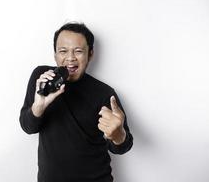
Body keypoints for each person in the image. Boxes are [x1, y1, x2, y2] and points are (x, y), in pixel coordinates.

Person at [20, 22, 133, 182]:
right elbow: (28, 127)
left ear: (91, 54)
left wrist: (118, 135)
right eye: (63, 51)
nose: (70, 58)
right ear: (55, 55)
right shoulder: (42, 79)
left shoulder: (104, 93)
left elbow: (123, 146)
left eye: (78, 51)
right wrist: (39, 106)